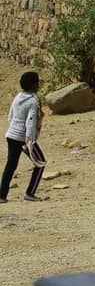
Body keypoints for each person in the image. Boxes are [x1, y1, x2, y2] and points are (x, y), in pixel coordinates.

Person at [2, 70, 46, 204]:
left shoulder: (18, 96)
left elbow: (11, 115)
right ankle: (30, 193)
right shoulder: (33, 101)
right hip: (23, 138)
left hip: (11, 135)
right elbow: (31, 122)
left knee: (10, 166)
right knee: (40, 163)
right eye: (37, 83)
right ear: (33, 86)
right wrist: (29, 141)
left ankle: (2, 196)